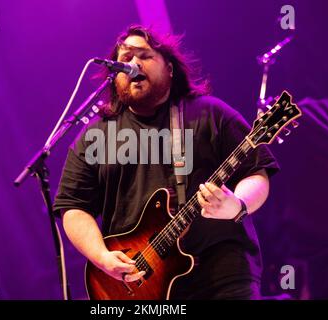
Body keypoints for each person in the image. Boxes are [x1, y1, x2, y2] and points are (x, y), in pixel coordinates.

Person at [53, 25, 279, 300]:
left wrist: (237, 206)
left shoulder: (210, 113)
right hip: (137, 286)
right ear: (114, 77)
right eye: (125, 60)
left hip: (221, 277)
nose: (133, 64)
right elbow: (73, 207)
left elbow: (256, 172)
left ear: (170, 69)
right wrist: (102, 258)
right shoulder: (95, 135)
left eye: (144, 56)